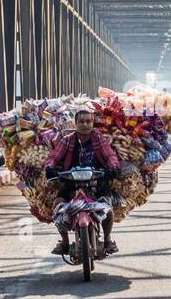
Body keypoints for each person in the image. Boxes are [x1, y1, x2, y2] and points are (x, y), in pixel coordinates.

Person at [44, 108, 121, 256]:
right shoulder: (68, 140)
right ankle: (65, 241)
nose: (85, 125)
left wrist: (113, 168)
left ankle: (107, 240)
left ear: (92, 123)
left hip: (97, 181)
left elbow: (110, 156)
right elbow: (54, 157)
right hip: (72, 182)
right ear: (75, 123)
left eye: (88, 121)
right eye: (81, 121)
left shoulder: (99, 139)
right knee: (58, 204)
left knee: (108, 208)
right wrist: (49, 168)